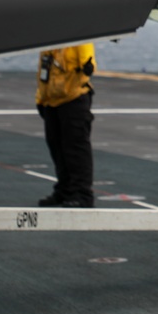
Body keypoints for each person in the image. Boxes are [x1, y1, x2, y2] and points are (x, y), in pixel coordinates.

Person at [35, 44, 97, 208]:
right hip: (51, 100)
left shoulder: (79, 39)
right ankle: (64, 190)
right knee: (56, 147)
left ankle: (82, 194)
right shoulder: (50, 41)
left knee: (75, 148)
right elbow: (44, 71)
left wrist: (87, 66)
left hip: (73, 99)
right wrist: (40, 99)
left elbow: (87, 60)